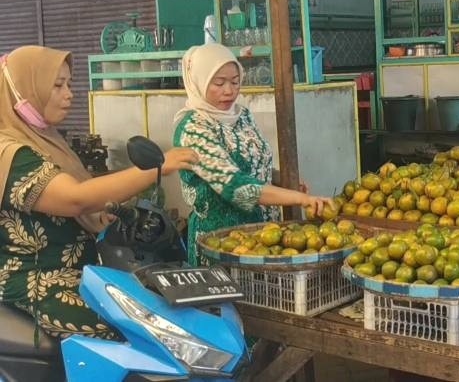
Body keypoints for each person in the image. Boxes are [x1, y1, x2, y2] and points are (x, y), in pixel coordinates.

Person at [0, 46, 198, 339]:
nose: (69, 94)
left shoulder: (46, 140)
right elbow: (75, 198)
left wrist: (105, 212)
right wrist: (159, 167)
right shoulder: (10, 152)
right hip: (38, 281)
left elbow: (84, 204)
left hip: (84, 271)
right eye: (57, 85)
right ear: (23, 93)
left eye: (69, 84)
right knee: (133, 333)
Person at [173, 43, 330, 265]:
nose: (229, 91)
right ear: (199, 82)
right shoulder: (192, 129)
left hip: (263, 238)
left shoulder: (241, 115)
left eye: (235, 82)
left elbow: (253, 162)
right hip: (220, 244)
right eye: (218, 83)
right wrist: (300, 199)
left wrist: (281, 180)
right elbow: (235, 185)